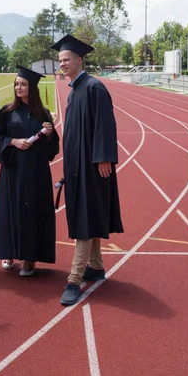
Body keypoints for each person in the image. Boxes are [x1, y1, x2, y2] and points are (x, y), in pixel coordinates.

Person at [51, 35, 124, 305]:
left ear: (79, 60)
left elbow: (106, 124)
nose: (62, 64)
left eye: (66, 59)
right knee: (88, 215)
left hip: (94, 168)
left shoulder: (94, 87)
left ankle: (74, 279)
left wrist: (104, 158)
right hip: (76, 167)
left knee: (83, 219)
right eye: (60, 61)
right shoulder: (74, 90)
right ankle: (96, 265)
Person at [0, 66, 59, 276]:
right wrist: (13, 141)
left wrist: (49, 135)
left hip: (36, 172)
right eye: (17, 84)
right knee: (11, 210)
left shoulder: (43, 114)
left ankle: (30, 258)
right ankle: (9, 252)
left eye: (23, 84)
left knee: (33, 213)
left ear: (32, 87)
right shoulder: (7, 112)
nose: (18, 87)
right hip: (13, 170)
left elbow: (53, 149)